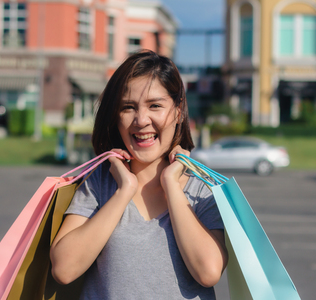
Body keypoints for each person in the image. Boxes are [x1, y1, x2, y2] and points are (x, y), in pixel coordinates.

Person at [50, 50, 228, 299]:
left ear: (178, 112)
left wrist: (172, 186)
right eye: (128, 107)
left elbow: (208, 272)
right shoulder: (100, 183)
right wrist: (125, 191)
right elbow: (64, 269)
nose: (141, 120)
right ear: (116, 115)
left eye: (155, 105)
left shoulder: (202, 190)